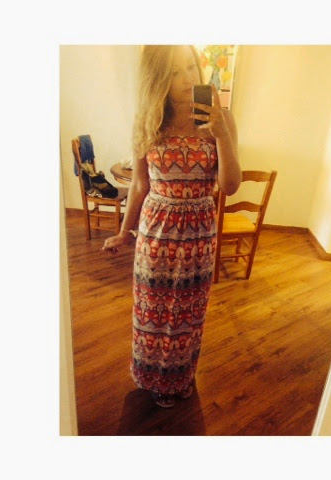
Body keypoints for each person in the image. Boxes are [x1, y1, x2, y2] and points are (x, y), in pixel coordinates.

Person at [101, 45, 241, 408]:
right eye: (175, 71)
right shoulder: (147, 120)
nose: (187, 78)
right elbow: (139, 185)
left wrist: (221, 135)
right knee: (154, 309)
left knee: (188, 312)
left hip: (199, 233)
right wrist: (124, 232)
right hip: (156, 233)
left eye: (191, 67)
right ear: (158, 77)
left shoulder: (221, 119)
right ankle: (152, 379)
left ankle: (180, 376)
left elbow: (229, 186)